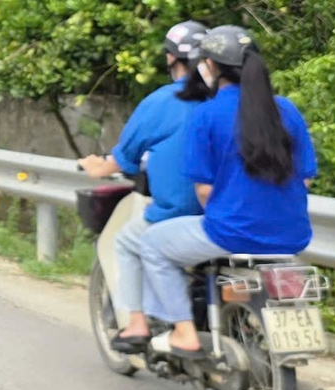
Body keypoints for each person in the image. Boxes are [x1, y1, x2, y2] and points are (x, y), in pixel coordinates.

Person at [137, 25, 316, 357]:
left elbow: (204, 192)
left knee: (151, 244)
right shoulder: (287, 110)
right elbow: (304, 179)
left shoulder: (207, 114)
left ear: (212, 67)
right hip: (291, 236)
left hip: (230, 233)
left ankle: (184, 333)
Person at [78, 20, 208, 353]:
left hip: (182, 212)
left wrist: (96, 166)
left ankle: (137, 324)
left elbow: (122, 158)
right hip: (234, 209)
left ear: (170, 59)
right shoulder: (228, 99)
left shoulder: (162, 101)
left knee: (127, 241)